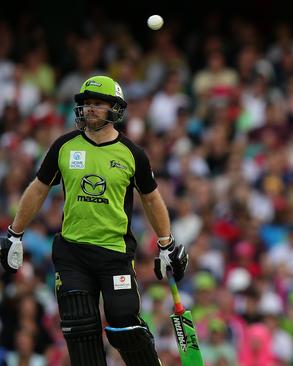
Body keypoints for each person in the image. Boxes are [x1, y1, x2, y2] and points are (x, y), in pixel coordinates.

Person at [0, 75, 188, 366]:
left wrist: (166, 244)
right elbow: (38, 188)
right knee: (79, 327)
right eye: (86, 104)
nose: (89, 109)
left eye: (97, 104)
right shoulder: (64, 146)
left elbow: (151, 198)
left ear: (115, 108)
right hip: (72, 252)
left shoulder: (132, 154)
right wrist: (15, 233)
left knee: (124, 322)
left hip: (114, 252)